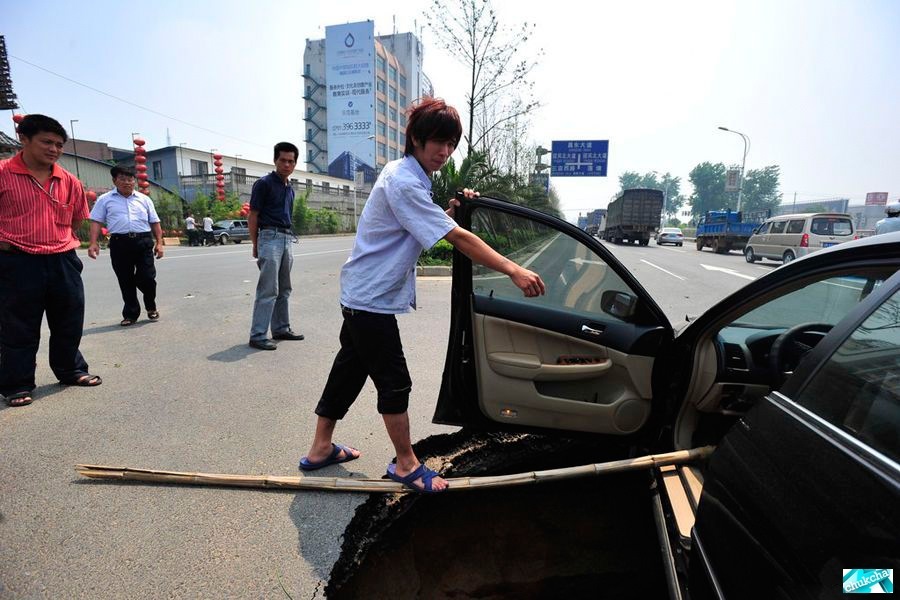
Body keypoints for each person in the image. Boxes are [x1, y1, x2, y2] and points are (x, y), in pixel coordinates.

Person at [299, 98, 545, 493]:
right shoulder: (404, 180)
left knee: (348, 372)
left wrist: (447, 210)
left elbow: (423, 226)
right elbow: (457, 238)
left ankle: (319, 448)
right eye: (437, 142)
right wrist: (513, 269)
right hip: (370, 301)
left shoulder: (407, 176)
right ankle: (406, 464)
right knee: (395, 382)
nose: (444, 152)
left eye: (451, 144)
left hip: (363, 294)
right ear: (415, 138)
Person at [0, 114, 101, 407]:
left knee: (69, 320)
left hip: (62, 260)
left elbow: (77, 218)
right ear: (24, 139)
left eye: (59, 144)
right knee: (18, 325)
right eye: (46, 141)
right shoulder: (4, 173)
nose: (53, 149)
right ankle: (17, 383)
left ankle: (71, 369)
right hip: (16, 261)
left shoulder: (69, 181)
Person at [87, 166, 164, 326]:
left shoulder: (144, 199)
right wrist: (93, 242)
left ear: (134, 181)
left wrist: (159, 243)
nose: (127, 182)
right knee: (125, 280)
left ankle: (151, 306)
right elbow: (96, 221)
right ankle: (130, 313)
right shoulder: (105, 199)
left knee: (147, 278)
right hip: (119, 243)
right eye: (123, 179)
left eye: (130, 179)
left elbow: (155, 222)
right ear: (114, 181)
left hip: (143, 241)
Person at [247, 141, 304, 350]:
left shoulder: (290, 189)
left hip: (287, 238)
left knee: (285, 288)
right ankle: (258, 335)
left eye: (291, 161)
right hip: (269, 237)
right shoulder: (264, 184)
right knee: (268, 289)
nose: (287, 165)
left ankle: (281, 328)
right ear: (275, 160)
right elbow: (253, 215)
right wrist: (255, 244)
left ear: (295, 163)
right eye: (283, 160)